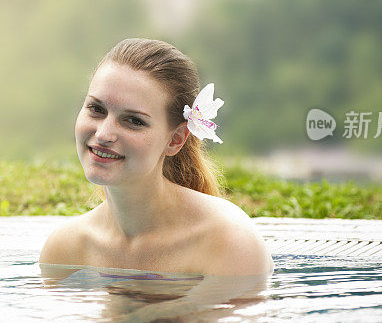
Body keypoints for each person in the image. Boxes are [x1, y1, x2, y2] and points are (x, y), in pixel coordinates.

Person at [39, 38, 274, 277]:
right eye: (96, 109)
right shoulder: (66, 250)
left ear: (175, 140)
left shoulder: (228, 242)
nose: (103, 134)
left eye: (134, 121)